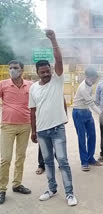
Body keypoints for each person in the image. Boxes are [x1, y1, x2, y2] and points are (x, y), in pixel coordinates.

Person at [29, 29, 77, 206]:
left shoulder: (57, 80)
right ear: (37, 73)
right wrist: (33, 131)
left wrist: (53, 39)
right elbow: (32, 111)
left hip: (57, 129)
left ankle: (70, 193)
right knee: (48, 162)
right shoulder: (33, 88)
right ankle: (51, 189)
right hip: (41, 131)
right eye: (42, 72)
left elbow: (59, 59)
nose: (46, 74)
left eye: (47, 71)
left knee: (63, 161)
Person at [0, 60, 33, 204]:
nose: (12, 70)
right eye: (10, 68)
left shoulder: (30, 85)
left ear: (22, 70)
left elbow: (35, 105)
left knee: (21, 157)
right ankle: (1, 189)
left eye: (15, 68)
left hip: (25, 125)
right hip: (8, 125)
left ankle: (17, 184)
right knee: (5, 158)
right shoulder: (3, 84)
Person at [72, 66, 103, 171]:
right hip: (78, 112)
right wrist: (102, 114)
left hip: (86, 112)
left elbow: (91, 101)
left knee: (92, 135)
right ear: (87, 77)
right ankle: (84, 162)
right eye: (92, 78)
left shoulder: (90, 85)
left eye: (95, 78)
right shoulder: (83, 88)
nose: (94, 80)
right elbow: (91, 104)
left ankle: (91, 159)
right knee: (82, 138)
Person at [36, 98, 68, 175]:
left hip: (56, 120)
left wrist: (65, 116)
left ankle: (62, 164)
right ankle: (41, 165)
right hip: (43, 121)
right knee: (43, 145)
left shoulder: (56, 87)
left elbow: (63, 100)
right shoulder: (39, 88)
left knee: (59, 143)